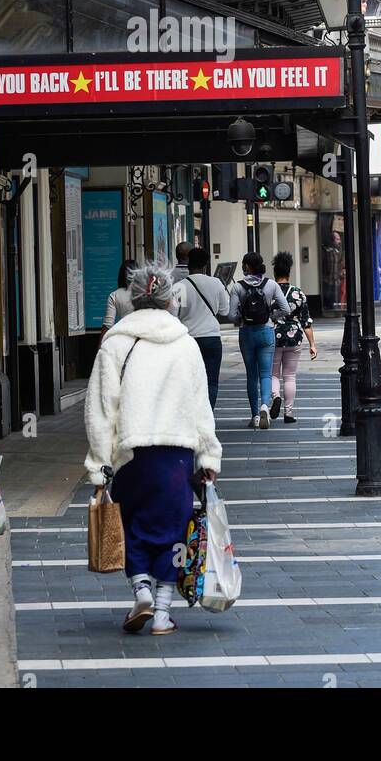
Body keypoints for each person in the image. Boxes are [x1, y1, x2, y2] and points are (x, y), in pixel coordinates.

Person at [84, 264, 221, 636]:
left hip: (129, 455)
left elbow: (100, 409)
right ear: (168, 300)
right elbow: (200, 406)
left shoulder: (115, 343)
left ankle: (140, 588)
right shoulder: (186, 343)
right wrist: (208, 455)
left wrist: (99, 465)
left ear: (133, 298)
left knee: (130, 526)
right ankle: (162, 613)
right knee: (173, 530)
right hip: (176, 454)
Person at [229, 252, 290, 429]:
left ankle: (255, 415)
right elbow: (285, 308)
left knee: (251, 375)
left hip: (246, 333)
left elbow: (231, 314)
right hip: (266, 331)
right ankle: (265, 405)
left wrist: (241, 319)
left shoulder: (237, 287)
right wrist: (271, 315)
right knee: (266, 373)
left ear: (247, 266)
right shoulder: (271, 284)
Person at [172, 246, 229, 409]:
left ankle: (192, 416)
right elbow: (224, 311)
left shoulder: (179, 287)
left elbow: (173, 315)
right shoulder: (216, 283)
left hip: (188, 340)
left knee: (189, 381)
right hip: (212, 338)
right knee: (211, 381)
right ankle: (208, 416)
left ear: (188, 263)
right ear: (206, 265)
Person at [269, 251, 317, 424]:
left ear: (275, 273)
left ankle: (275, 397)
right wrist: (312, 344)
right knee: (290, 376)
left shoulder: (269, 291)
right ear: (289, 272)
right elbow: (307, 322)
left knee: (273, 375)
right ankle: (288, 413)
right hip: (294, 337)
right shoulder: (298, 293)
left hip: (273, 336)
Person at [101, 257, 136, 338]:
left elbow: (108, 324)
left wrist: (100, 345)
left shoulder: (114, 295)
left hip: (124, 336)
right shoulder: (146, 293)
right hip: (143, 337)